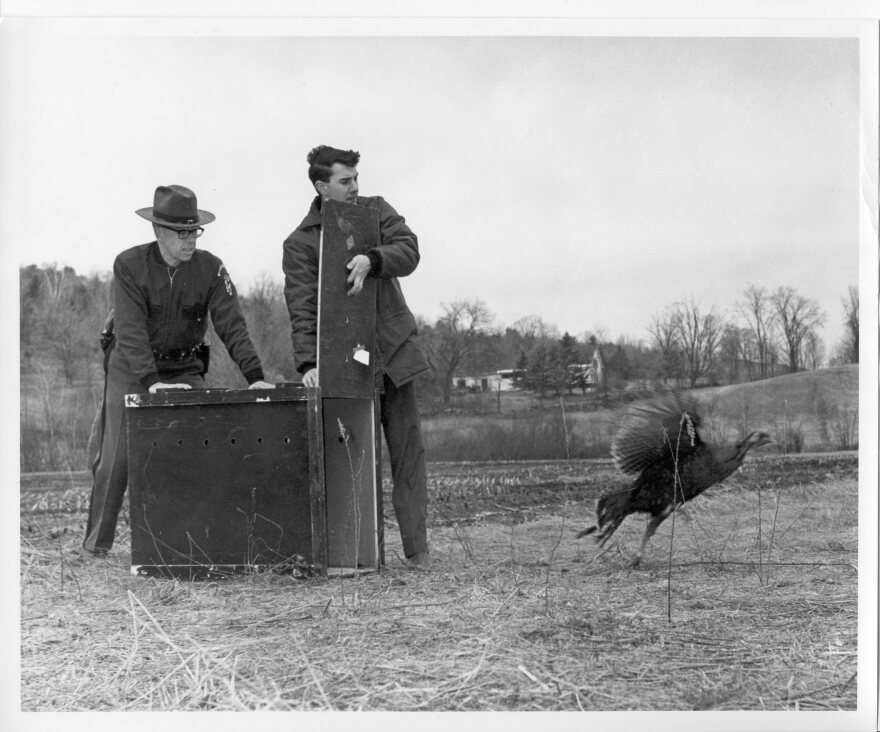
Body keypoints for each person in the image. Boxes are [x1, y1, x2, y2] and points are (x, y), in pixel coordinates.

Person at [83, 184, 274, 557]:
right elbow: (130, 330)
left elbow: (232, 326)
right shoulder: (129, 265)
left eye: (195, 231)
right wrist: (151, 383)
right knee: (117, 457)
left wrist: (255, 376)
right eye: (182, 233)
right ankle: (96, 548)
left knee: (197, 452)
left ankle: (188, 545)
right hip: (133, 367)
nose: (191, 240)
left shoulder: (211, 269)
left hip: (184, 366)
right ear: (159, 232)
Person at [282, 146, 432, 569]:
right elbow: (301, 307)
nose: (355, 187)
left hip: (393, 355)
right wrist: (309, 366)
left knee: (408, 453)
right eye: (345, 181)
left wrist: (375, 258)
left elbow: (410, 249)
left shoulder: (377, 212)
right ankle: (355, 554)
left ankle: (417, 552)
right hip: (345, 367)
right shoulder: (299, 244)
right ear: (321, 186)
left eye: (356, 178)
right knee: (351, 460)